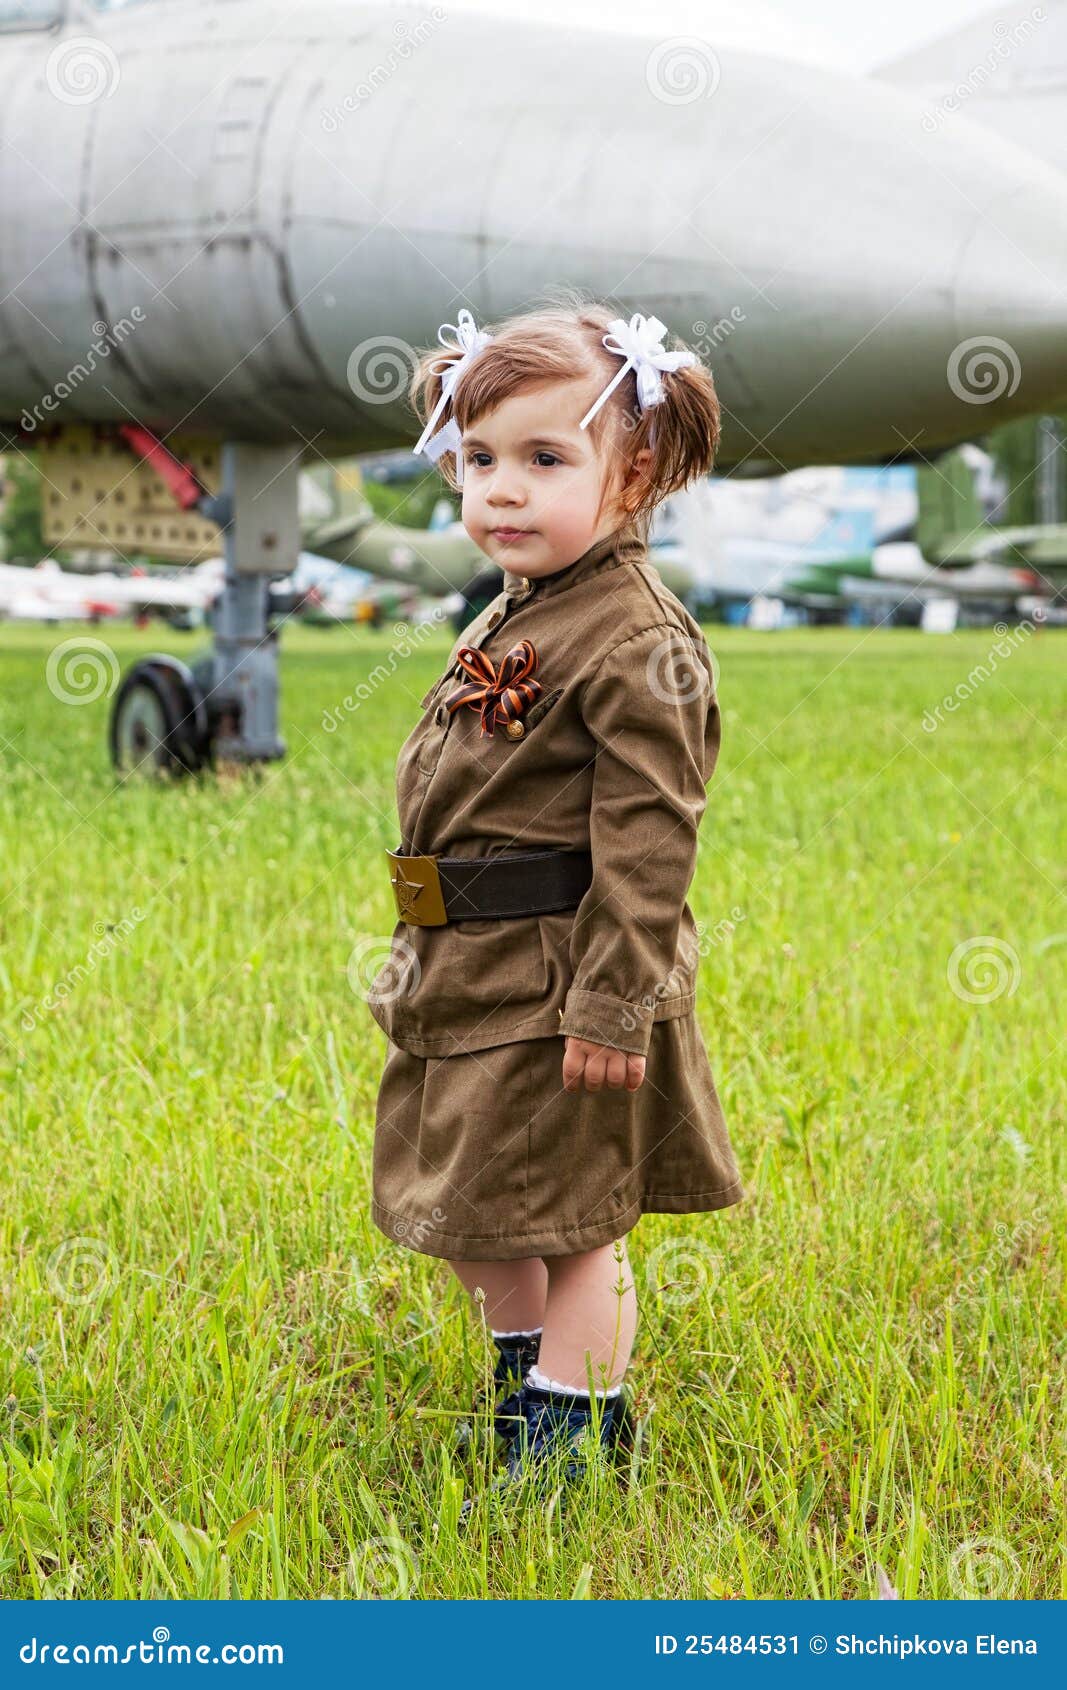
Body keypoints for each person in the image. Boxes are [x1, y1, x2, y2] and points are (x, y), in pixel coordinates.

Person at [366, 288, 745, 1514]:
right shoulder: (525, 602)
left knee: (575, 1219)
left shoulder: (636, 636)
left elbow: (649, 838)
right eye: (478, 459)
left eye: (543, 459)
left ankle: (569, 1436)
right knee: (470, 1201)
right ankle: (525, 1366)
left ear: (633, 473)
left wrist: (613, 1001)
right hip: (469, 966)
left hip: (565, 976)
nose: (500, 491)